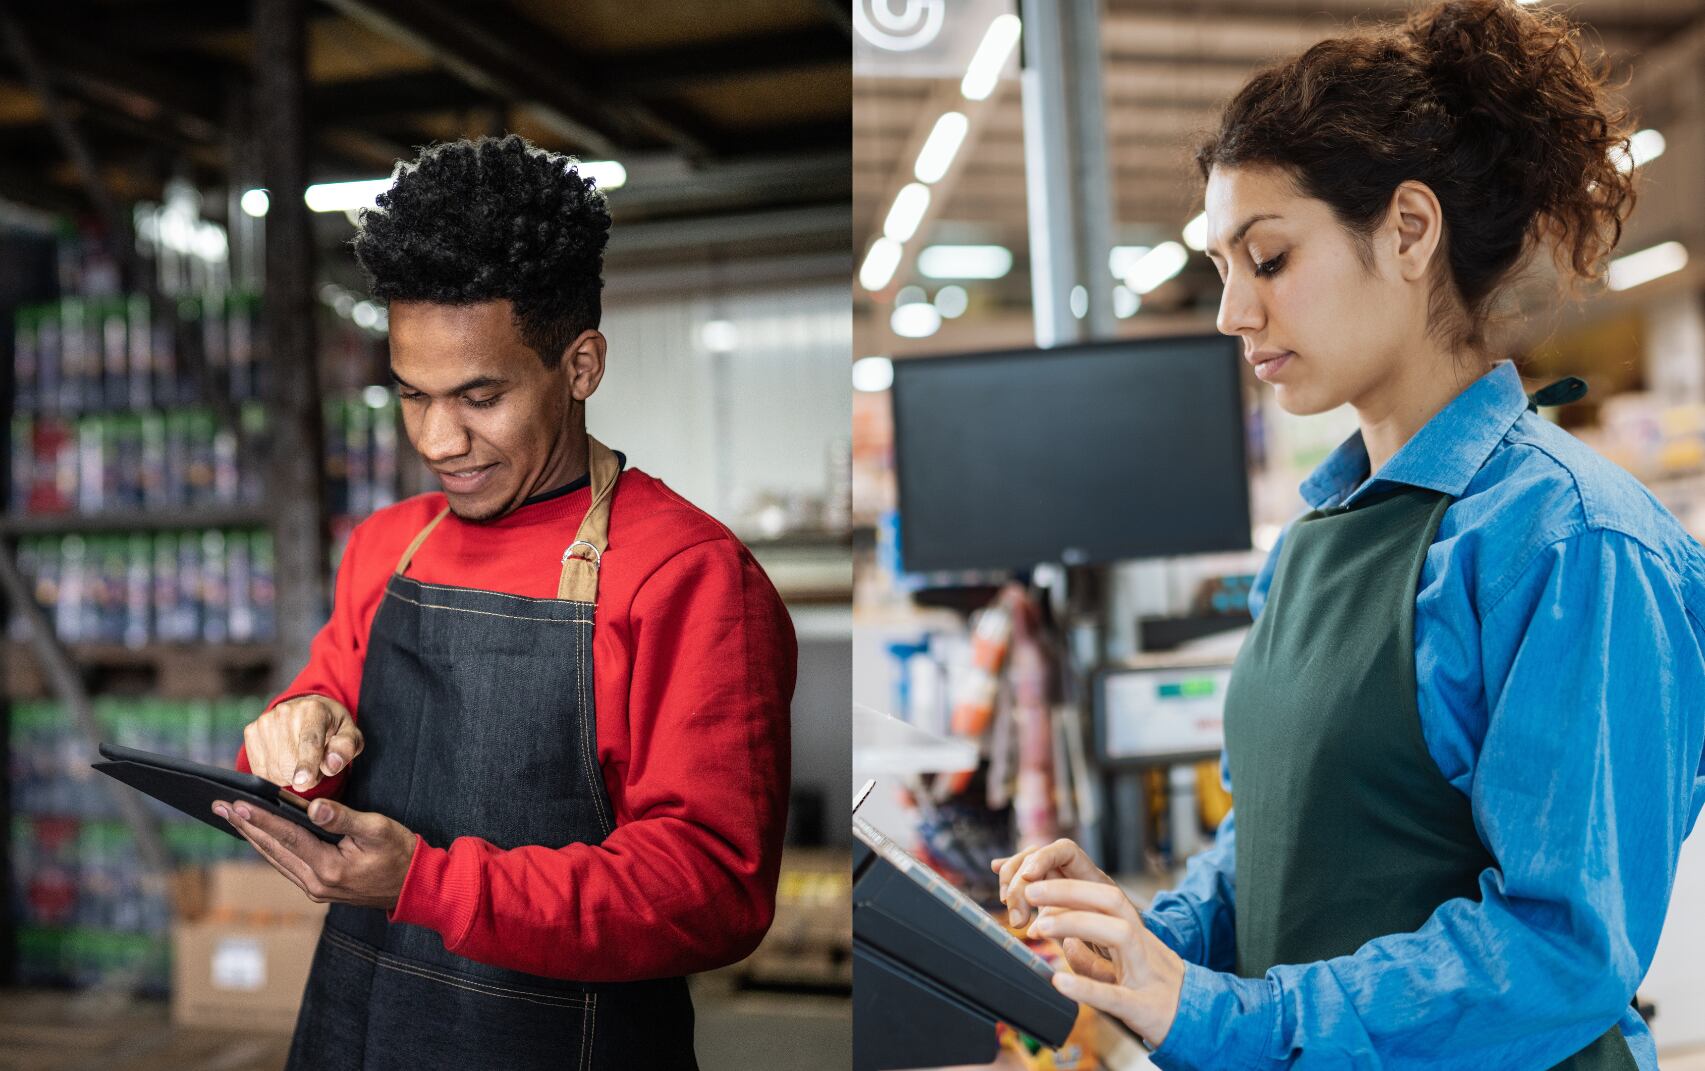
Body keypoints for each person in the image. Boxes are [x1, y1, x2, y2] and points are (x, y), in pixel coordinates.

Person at [994, 1, 1705, 1067]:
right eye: (1221, 267)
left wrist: (1229, 1016)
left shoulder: (1571, 542)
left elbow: (1561, 950)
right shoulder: (1319, 537)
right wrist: (1145, 938)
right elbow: (1275, 845)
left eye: (1267, 258)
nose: (1233, 310)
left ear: (1409, 231)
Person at [210, 134, 796, 1070]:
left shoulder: (689, 576)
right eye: (412, 394)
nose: (440, 438)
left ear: (581, 365)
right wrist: (295, 735)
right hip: (351, 1027)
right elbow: (310, 726)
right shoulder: (388, 545)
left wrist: (430, 883)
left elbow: (710, 889)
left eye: (481, 395)